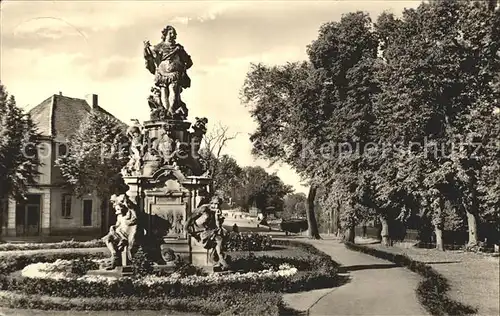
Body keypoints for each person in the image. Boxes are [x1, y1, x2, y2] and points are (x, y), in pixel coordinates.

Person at [144, 25, 193, 117]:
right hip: (162, 73)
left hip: (174, 74)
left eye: (174, 34)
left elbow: (188, 61)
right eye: (171, 33)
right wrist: (146, 47)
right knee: (164, 91)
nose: (173, 35)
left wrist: (182, 68)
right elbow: (149, 55)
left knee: (173, 90)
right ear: (165, 34)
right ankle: (166, 112)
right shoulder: (159, 47)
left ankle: (171, 110)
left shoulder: (179, 48)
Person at [185, 196, 230, 271]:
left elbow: (218, 226)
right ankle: (220, 259)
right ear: (211, 203)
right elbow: (191, 217)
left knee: (223, 235)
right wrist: (186, 228)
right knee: (219, 239)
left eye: (218, 204)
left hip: (209, 231)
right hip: (199, 231)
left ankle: (217, 259)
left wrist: (216, 216)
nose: (216, 206)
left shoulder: (217, 210)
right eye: (214, 204)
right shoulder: (204, 208)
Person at [102, 194, 138, 270]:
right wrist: (113, 227)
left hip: (125, 235)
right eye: (116, 209)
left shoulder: (129, 215)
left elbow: (135, 216)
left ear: (123, 208)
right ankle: (114, 254)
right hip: (118, 234)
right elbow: (117, 225)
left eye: (118, 209)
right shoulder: (119, 216)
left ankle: (116, 259)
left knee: (119, 240)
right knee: (107, 239)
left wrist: (127, 204)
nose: (117, 211)